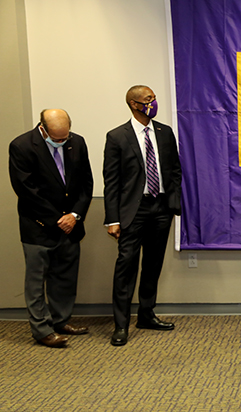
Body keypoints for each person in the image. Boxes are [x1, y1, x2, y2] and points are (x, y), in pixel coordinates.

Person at [104, 85, 182, 346]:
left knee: (153, 264)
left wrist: (172, 201)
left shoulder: (165, 132)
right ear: (134, 104)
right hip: (132, 211)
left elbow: (174, 169)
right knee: (126, 266)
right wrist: (112, 219)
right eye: (148, 99)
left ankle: (146, 314)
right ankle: (121, 325)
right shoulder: (117, 137)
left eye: (154, 98)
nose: (153, 103)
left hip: (160, 208)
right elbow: (111, 182)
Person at [9, 109, 93, 348]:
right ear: (42, 128)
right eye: (56, 138)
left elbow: (86, 183)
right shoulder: (22, 146)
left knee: (65, 277)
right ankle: (42, 330)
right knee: (36, 281)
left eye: (64, 137)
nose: (62, 141)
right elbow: (26, 191)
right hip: (38, 226)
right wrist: (58, 219)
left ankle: (61, 320)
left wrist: (75, 215)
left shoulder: (77, 142)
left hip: (71, 224)